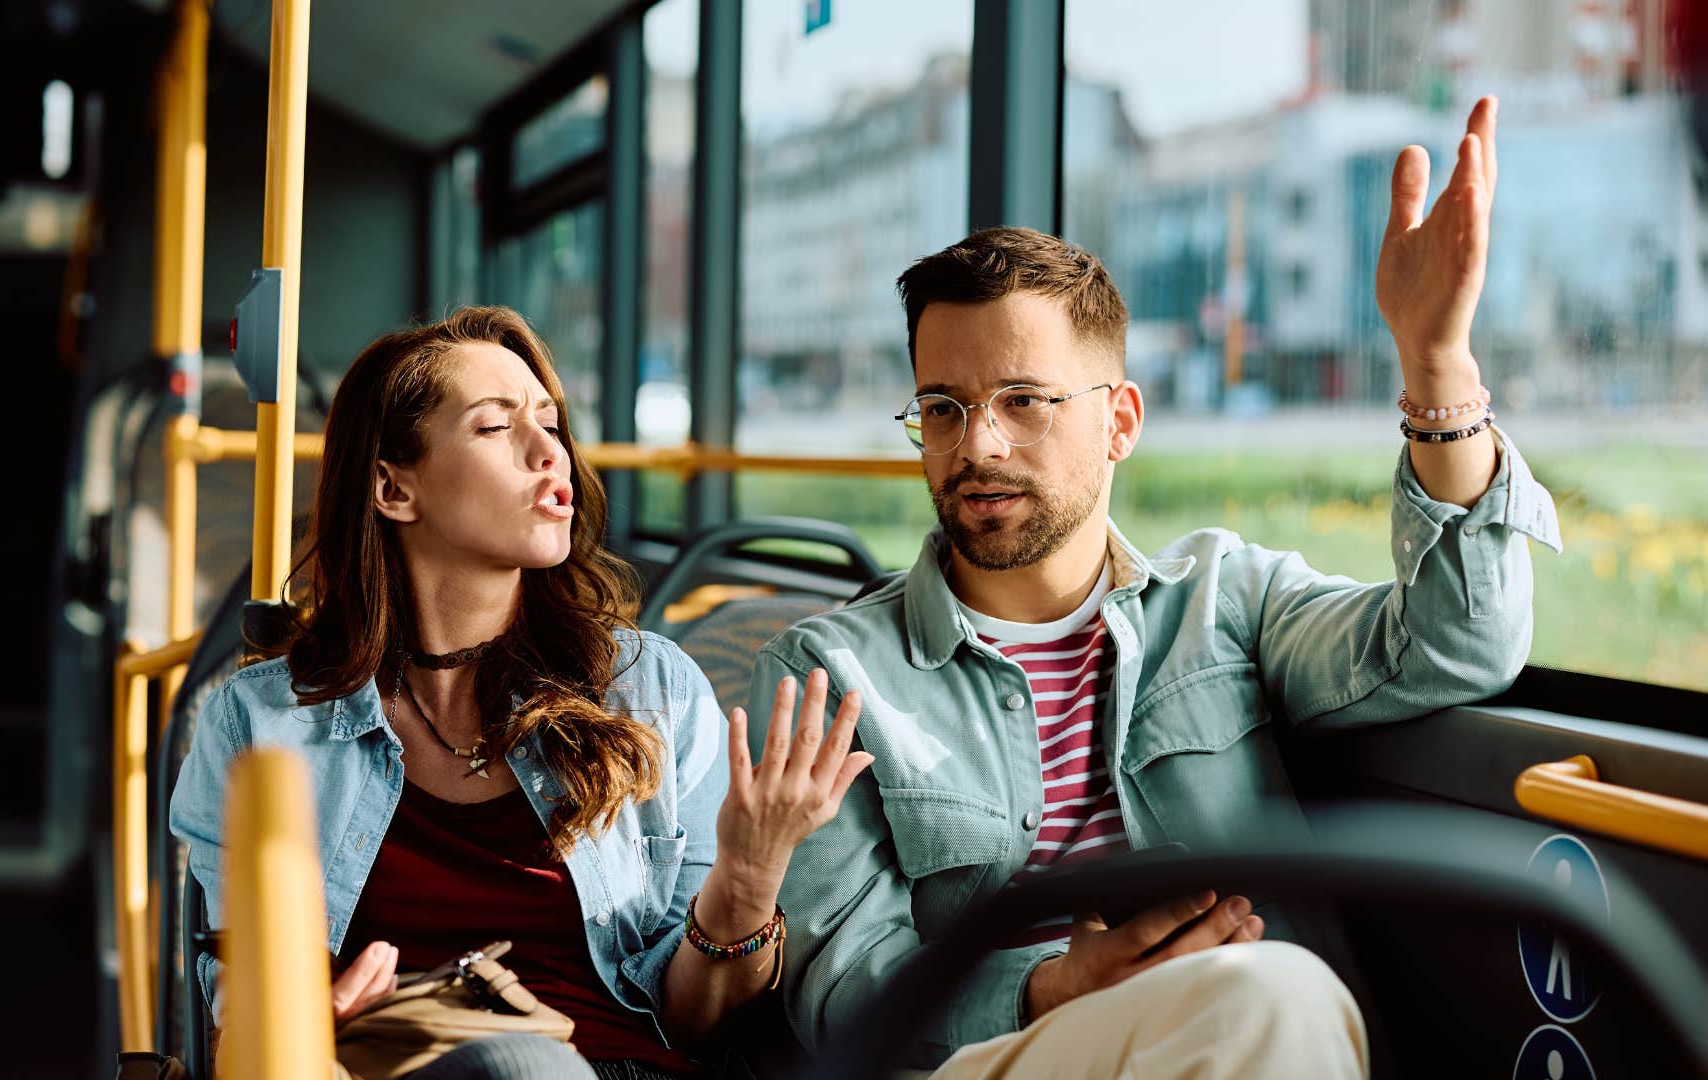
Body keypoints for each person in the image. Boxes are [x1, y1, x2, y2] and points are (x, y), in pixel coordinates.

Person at [749, 96, 1561, 1078]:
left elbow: (1458, 645)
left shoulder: (1225, 602)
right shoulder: (832, 675)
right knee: (1274, 991)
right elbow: (841, 993)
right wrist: (1053, 988)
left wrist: (1437, 365)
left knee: (1265, 995)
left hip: (1235, 1040)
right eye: (943, 408)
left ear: (1121, 423)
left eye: (1023, 401)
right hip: (988, 1062)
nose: (978, 445)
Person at [170, 307, 873, 1079]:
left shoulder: (651, 690)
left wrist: (748, 874)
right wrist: (300, 1026)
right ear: (393, 488)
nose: (550, 452)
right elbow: (241, 1030)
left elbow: (693, 1020)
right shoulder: (262, 723)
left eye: (550, 421)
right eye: (496, 427)